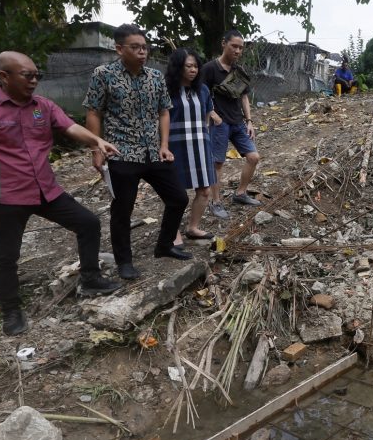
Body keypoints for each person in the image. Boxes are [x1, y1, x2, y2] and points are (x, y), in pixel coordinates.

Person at [0, 51, 121, 336]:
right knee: (6, 256)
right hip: (5, 195)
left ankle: (91, 279)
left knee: (88, 223)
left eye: (36, 76)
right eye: (27, 75)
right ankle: (11, 311)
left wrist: (96, 140)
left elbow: (70, 127)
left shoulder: (42, 106)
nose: (34, 81)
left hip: (45, 189)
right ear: (4, 76)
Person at [84, 24, 191, 282]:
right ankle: (125, 261)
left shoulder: (155, 77)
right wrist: (96, 147)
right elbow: (93, 111)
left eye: (144, 47)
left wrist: (164, 146)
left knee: (178, 198)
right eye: (135, 47)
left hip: (153, 152)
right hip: (121, 153)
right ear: (119, 48)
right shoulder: (104, 75)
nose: (142, 52)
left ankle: (164, 245)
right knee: (123, 210)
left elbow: (164, 110)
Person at [201, 29, 262, 216]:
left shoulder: (238, 71)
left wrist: (249, 121)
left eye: (240, 48)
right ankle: (215, 202)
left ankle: (240, 193)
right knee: (217, 163)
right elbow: (200, 95)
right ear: (224, 44)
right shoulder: (210, 69)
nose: (237, 51)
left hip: (238, 122)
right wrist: (212, 114)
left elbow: (244, 97)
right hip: (220, 124)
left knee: (253, 157)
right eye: (234, 46)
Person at [165, 48, 221, 246]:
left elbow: (207, 117)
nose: (193, 70)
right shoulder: (167, 90)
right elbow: (160, 119)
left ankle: (193, 227)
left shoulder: (203, 90)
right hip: (175, 145)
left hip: (200, 144)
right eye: (188, 66)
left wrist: (205, 137)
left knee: (204, 190)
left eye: (195, 66)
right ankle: (172, 231)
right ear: (178, 67)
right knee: (176, 193)